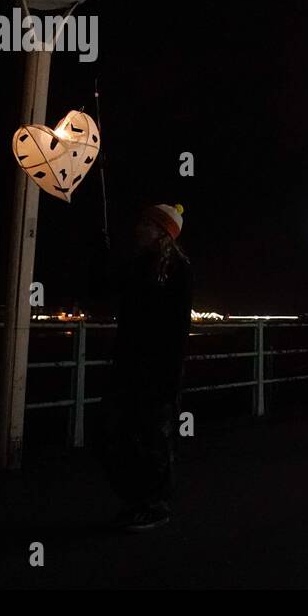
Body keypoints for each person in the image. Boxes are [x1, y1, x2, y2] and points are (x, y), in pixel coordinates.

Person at [102, 203, 193, 532]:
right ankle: (139, 500)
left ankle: (154, 504)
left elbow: (177, 328)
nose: (138, 228)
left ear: (160, 230)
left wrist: (169, 375)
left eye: (145, 223)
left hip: (155, 369)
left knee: (154, 438)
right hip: (131, 365)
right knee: (128, 435)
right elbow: (106, 289)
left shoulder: (176, 271)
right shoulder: (141, 266)